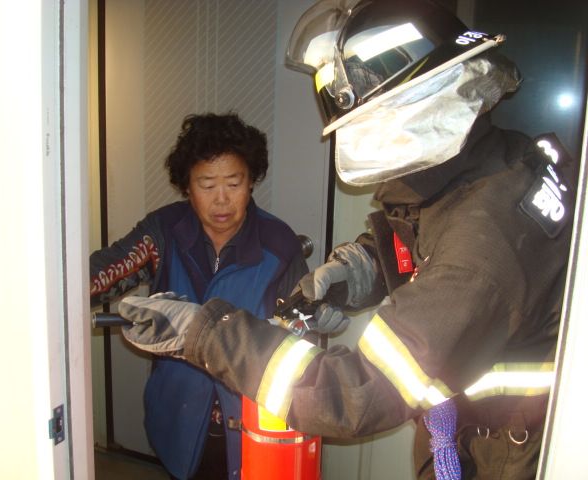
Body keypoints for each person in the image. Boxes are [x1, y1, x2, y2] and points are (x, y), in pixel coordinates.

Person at [115, 1, 576, 479]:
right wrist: (356, 270)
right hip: (474, 431)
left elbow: (356, 395)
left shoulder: (485, 245)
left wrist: (205, 333)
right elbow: (432, 233)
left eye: (369, 124)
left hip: (505, 454)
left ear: (421, 105)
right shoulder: (491, 168)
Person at [89, 112, 312, 480]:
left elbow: (300, 343)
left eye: (234, 183)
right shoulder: (164, 231)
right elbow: (102, 273)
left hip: (252, 421)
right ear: (187, 187)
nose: (221, 200)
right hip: (177, 417)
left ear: (251, 182)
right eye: (206, 185)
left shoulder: (279, 245)